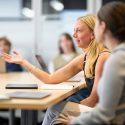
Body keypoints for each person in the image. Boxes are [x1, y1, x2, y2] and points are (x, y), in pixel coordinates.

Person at [0, 15, 110, 125]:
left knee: (56, 109)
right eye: (74, 31)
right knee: (57, 109)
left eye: (79, 31)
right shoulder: (85, 58)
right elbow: (50, 78)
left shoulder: (103, 57)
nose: (74, 35)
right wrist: (23, 62)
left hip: (103, 111)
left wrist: (73, 115)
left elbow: (93, 100)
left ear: (93, 34)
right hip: (96, 107)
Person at [58, 1, 125, 125]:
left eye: (96, 25)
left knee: (56, 110)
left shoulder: (115, 60)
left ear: (102, 26)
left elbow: (104, 115)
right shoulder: (118, 56)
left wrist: (74, 122)